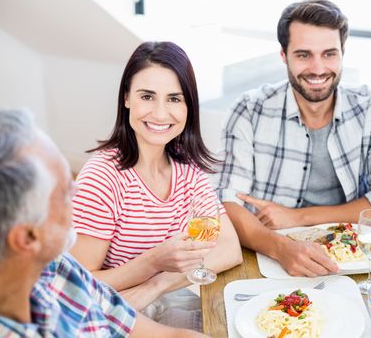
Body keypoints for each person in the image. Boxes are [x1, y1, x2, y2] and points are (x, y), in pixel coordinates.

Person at [214, 0, 371, 277]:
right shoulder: (249, 109)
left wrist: (298, 217)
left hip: (354, 254)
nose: (318, 69)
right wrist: (280, 248)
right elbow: (225, 201)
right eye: (304, 55)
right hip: (268, 252)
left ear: (343, 52)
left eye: (329, 54)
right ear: (284, 55)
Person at [69, 42, 242, 325]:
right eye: (147, 96)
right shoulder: (102, 177)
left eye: (174, 99)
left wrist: (155, 285)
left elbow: (228, 248)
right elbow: (76, 285)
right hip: (110, 313)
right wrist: (153, 261)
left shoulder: (187, 167)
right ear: (127, 98)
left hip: (161, 299)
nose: (161, 114)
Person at [0, 109, 207, 337]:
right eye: (65, 191)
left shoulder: (58, 267)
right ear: (27, 238)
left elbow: (164, 334)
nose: (78, 191)